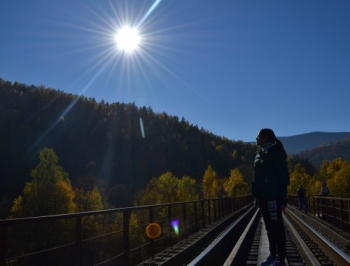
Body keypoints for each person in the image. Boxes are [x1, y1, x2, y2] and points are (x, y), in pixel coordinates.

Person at [252, 128, 290, 266]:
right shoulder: (259, 154)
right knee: (268, 226)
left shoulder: (275, 154)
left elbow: (283, 177)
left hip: (273, 196)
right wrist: (256, 196)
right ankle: (272, 255)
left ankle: (281, 259)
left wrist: (282, 199)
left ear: (265, 137)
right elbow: (256, 178)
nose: (256, 138)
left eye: (258, 136)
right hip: (263, 196)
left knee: (277, 227)